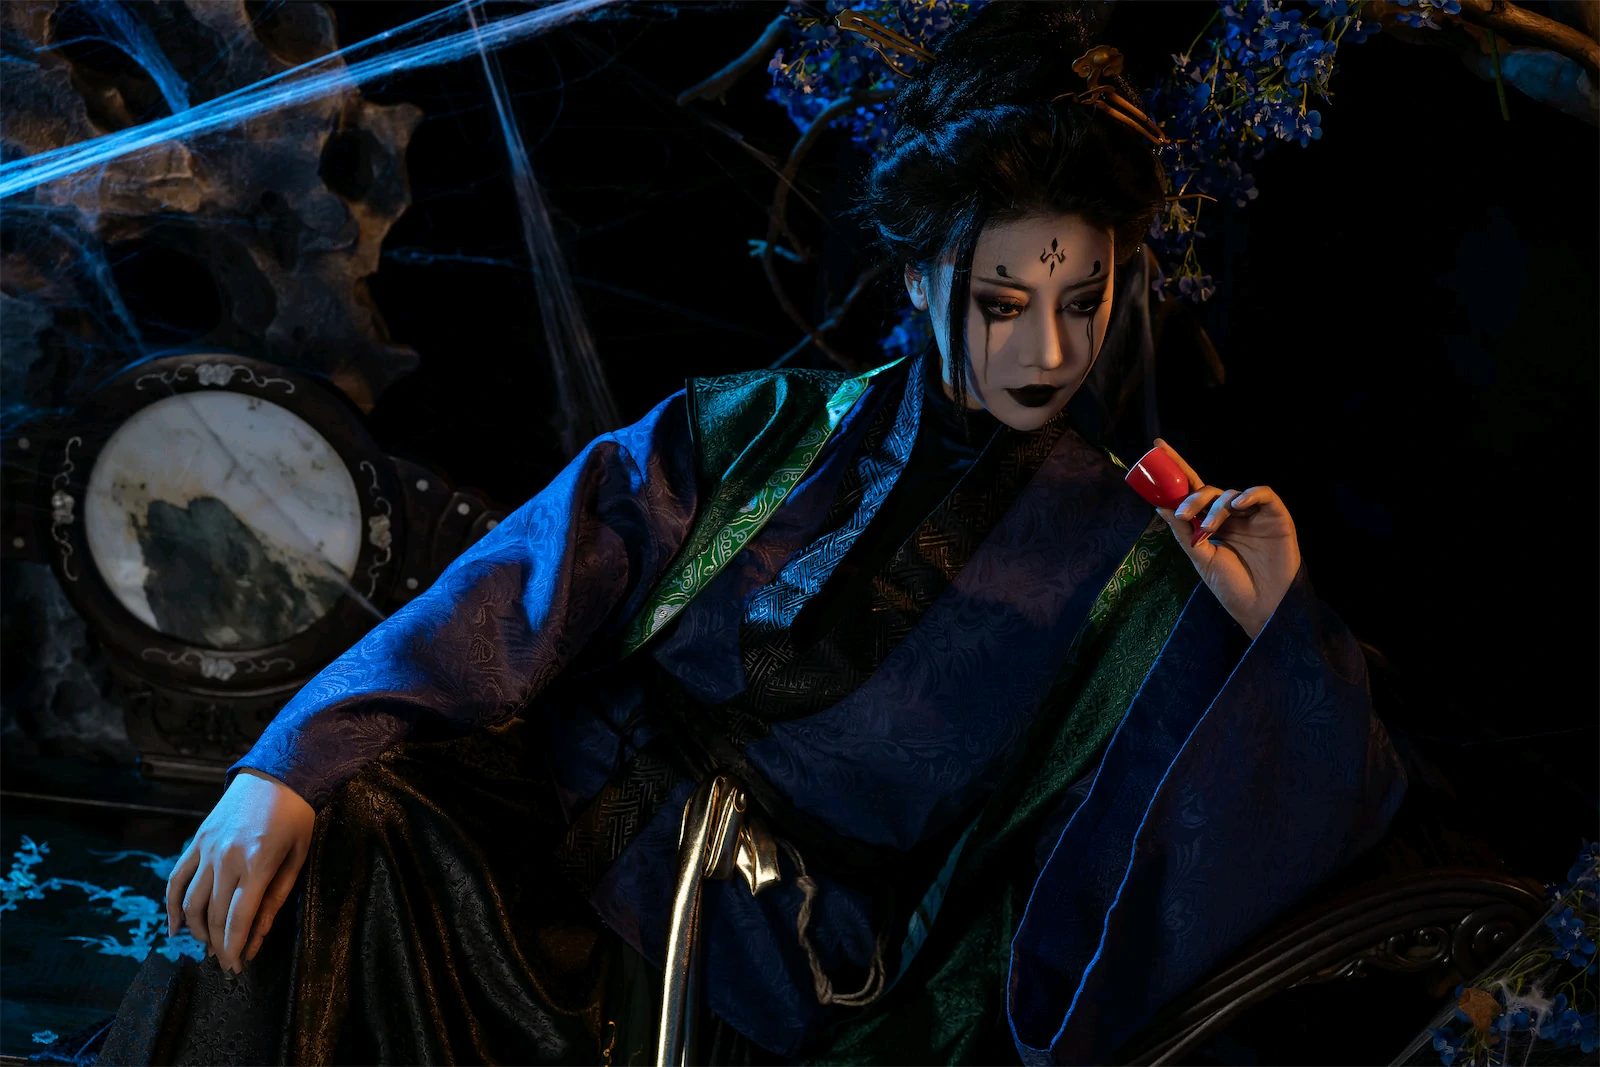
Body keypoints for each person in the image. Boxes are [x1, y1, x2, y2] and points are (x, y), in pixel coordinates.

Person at [108, 5, 1406, 1064]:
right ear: (920, 276)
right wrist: (289, 764)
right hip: (556, 836)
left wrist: (1273, 629)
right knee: (348, 828)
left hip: (773, 975)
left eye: (1086, 299)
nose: (1051, 352)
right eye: (1003, 301)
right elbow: (517, 587)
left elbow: (1252, 830)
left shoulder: (1124, 564)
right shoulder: (762, 429)